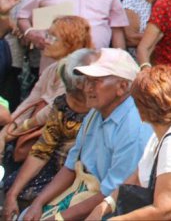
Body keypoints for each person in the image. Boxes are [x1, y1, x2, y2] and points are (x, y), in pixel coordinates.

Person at [23, 48, 152, 221]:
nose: (87, 88)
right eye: (87, 80)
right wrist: (38, 203)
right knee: (27, 214)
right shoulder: (97, 111)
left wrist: (58, 218)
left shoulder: (134, 127)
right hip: (86, 191)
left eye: (96, 81)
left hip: (112, 208)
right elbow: (71, 165)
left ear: (122, 87)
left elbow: (113, 194)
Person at [89, 65, 171, 220]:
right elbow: (137, 176)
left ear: (142, 109)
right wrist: (105, 205)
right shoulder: (165, 132)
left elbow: (166, 210)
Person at [2, 49, 94, 219]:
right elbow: (41, 150)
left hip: (81, 181)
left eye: (76, 96)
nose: (70, 100)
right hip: (54, 169)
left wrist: (40, 203)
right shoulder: (62, 105)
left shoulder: (99, 115)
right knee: (15, 192)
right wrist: (12, 195)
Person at [0, 16, 93, 168]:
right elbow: (27, 105)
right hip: (35, 137)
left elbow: (47, 114)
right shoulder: (51, 70)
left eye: (53, 38)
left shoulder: (75, 76)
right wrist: (3, 135)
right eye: (47, 35)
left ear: (71, 43)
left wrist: (11, 134)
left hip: (60, 148)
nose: (46, 41)